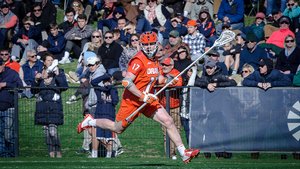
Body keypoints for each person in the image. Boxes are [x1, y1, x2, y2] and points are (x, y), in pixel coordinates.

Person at [77, 31, 200, 164]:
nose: (149, 47)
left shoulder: (155, 59)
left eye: (151, 44)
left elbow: (155, 77)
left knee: (168, 120)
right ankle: (90, 122)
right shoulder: (138, 60)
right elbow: (127, 82)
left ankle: (184, 153)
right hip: (133, 101)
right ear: (141, 45)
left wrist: (166, 80)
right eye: (146, 44)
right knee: (117, 128)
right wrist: (143, 96)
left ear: (157, 44)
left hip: (148, 101)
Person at [242, 58, 296, 159]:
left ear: (268, 66)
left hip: (278, 108)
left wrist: (272, 84)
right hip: (264, 108)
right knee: (260, 132)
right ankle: (255, 154)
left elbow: (288, 82)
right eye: (259, 65)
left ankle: (296, 152)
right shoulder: (257, 73)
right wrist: (258, 84)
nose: (260, 67)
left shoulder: (276, 73)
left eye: (262, 66)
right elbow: (245, 81)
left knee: (286, 132)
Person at [194, 58, 236, 159]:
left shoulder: (220, 75)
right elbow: (197, 82)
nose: (209, 70)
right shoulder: (204, 77)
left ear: (215, 67)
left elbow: (233, 82)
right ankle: (219, 152)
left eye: (211, 68)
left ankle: (228, 154)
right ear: (204, 67)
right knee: (208, 131)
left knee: (225, 131)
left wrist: (217, 85)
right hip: (212, 110)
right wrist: (207, 84)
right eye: (207, 68)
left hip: (224, 108)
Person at [31, 52, 68, 158]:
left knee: (53, 131)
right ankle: (51, 155)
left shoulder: (59, 72)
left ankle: (58, 152)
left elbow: (64, 87)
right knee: (46, 132)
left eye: (52, 60)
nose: (51, 62)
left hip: (54, 107)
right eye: (48, 60)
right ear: (44, 62)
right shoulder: (40, 74)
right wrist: (36, 80)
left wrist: (58, 74)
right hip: (42, 107)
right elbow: (33, 91)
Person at [156, 57, 183, 160]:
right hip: (163, 107)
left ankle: (175, 153)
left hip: (175, 106)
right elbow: (155, 83)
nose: (164, 67)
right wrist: (167, 82)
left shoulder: (177, 73)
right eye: (163, 64)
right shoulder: (159, 72)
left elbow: (178, 83)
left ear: (172, 66)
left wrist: (163, 82)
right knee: (165, 132)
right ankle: (169, 155)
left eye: (167, 65)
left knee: (177, 130)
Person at [89, 74, 119, 158]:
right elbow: (93, 82)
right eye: (105, 81)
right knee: (97, 135)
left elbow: (115, 101)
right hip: (99, 115)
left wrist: (111, 86)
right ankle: (94, 155)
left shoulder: (114, 89)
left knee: (110, 137)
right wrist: (105, 77)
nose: (107, 83)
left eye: (108, 81)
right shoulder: (99, 90)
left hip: (110, 115)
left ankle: (109, 155)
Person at [0, 57, 23, 157]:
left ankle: (13, 153)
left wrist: (6, 84)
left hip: (9, 109)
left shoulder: (12, 73)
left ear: (3, 65)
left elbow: (20, 87)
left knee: (8, 134)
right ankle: (3, 155)